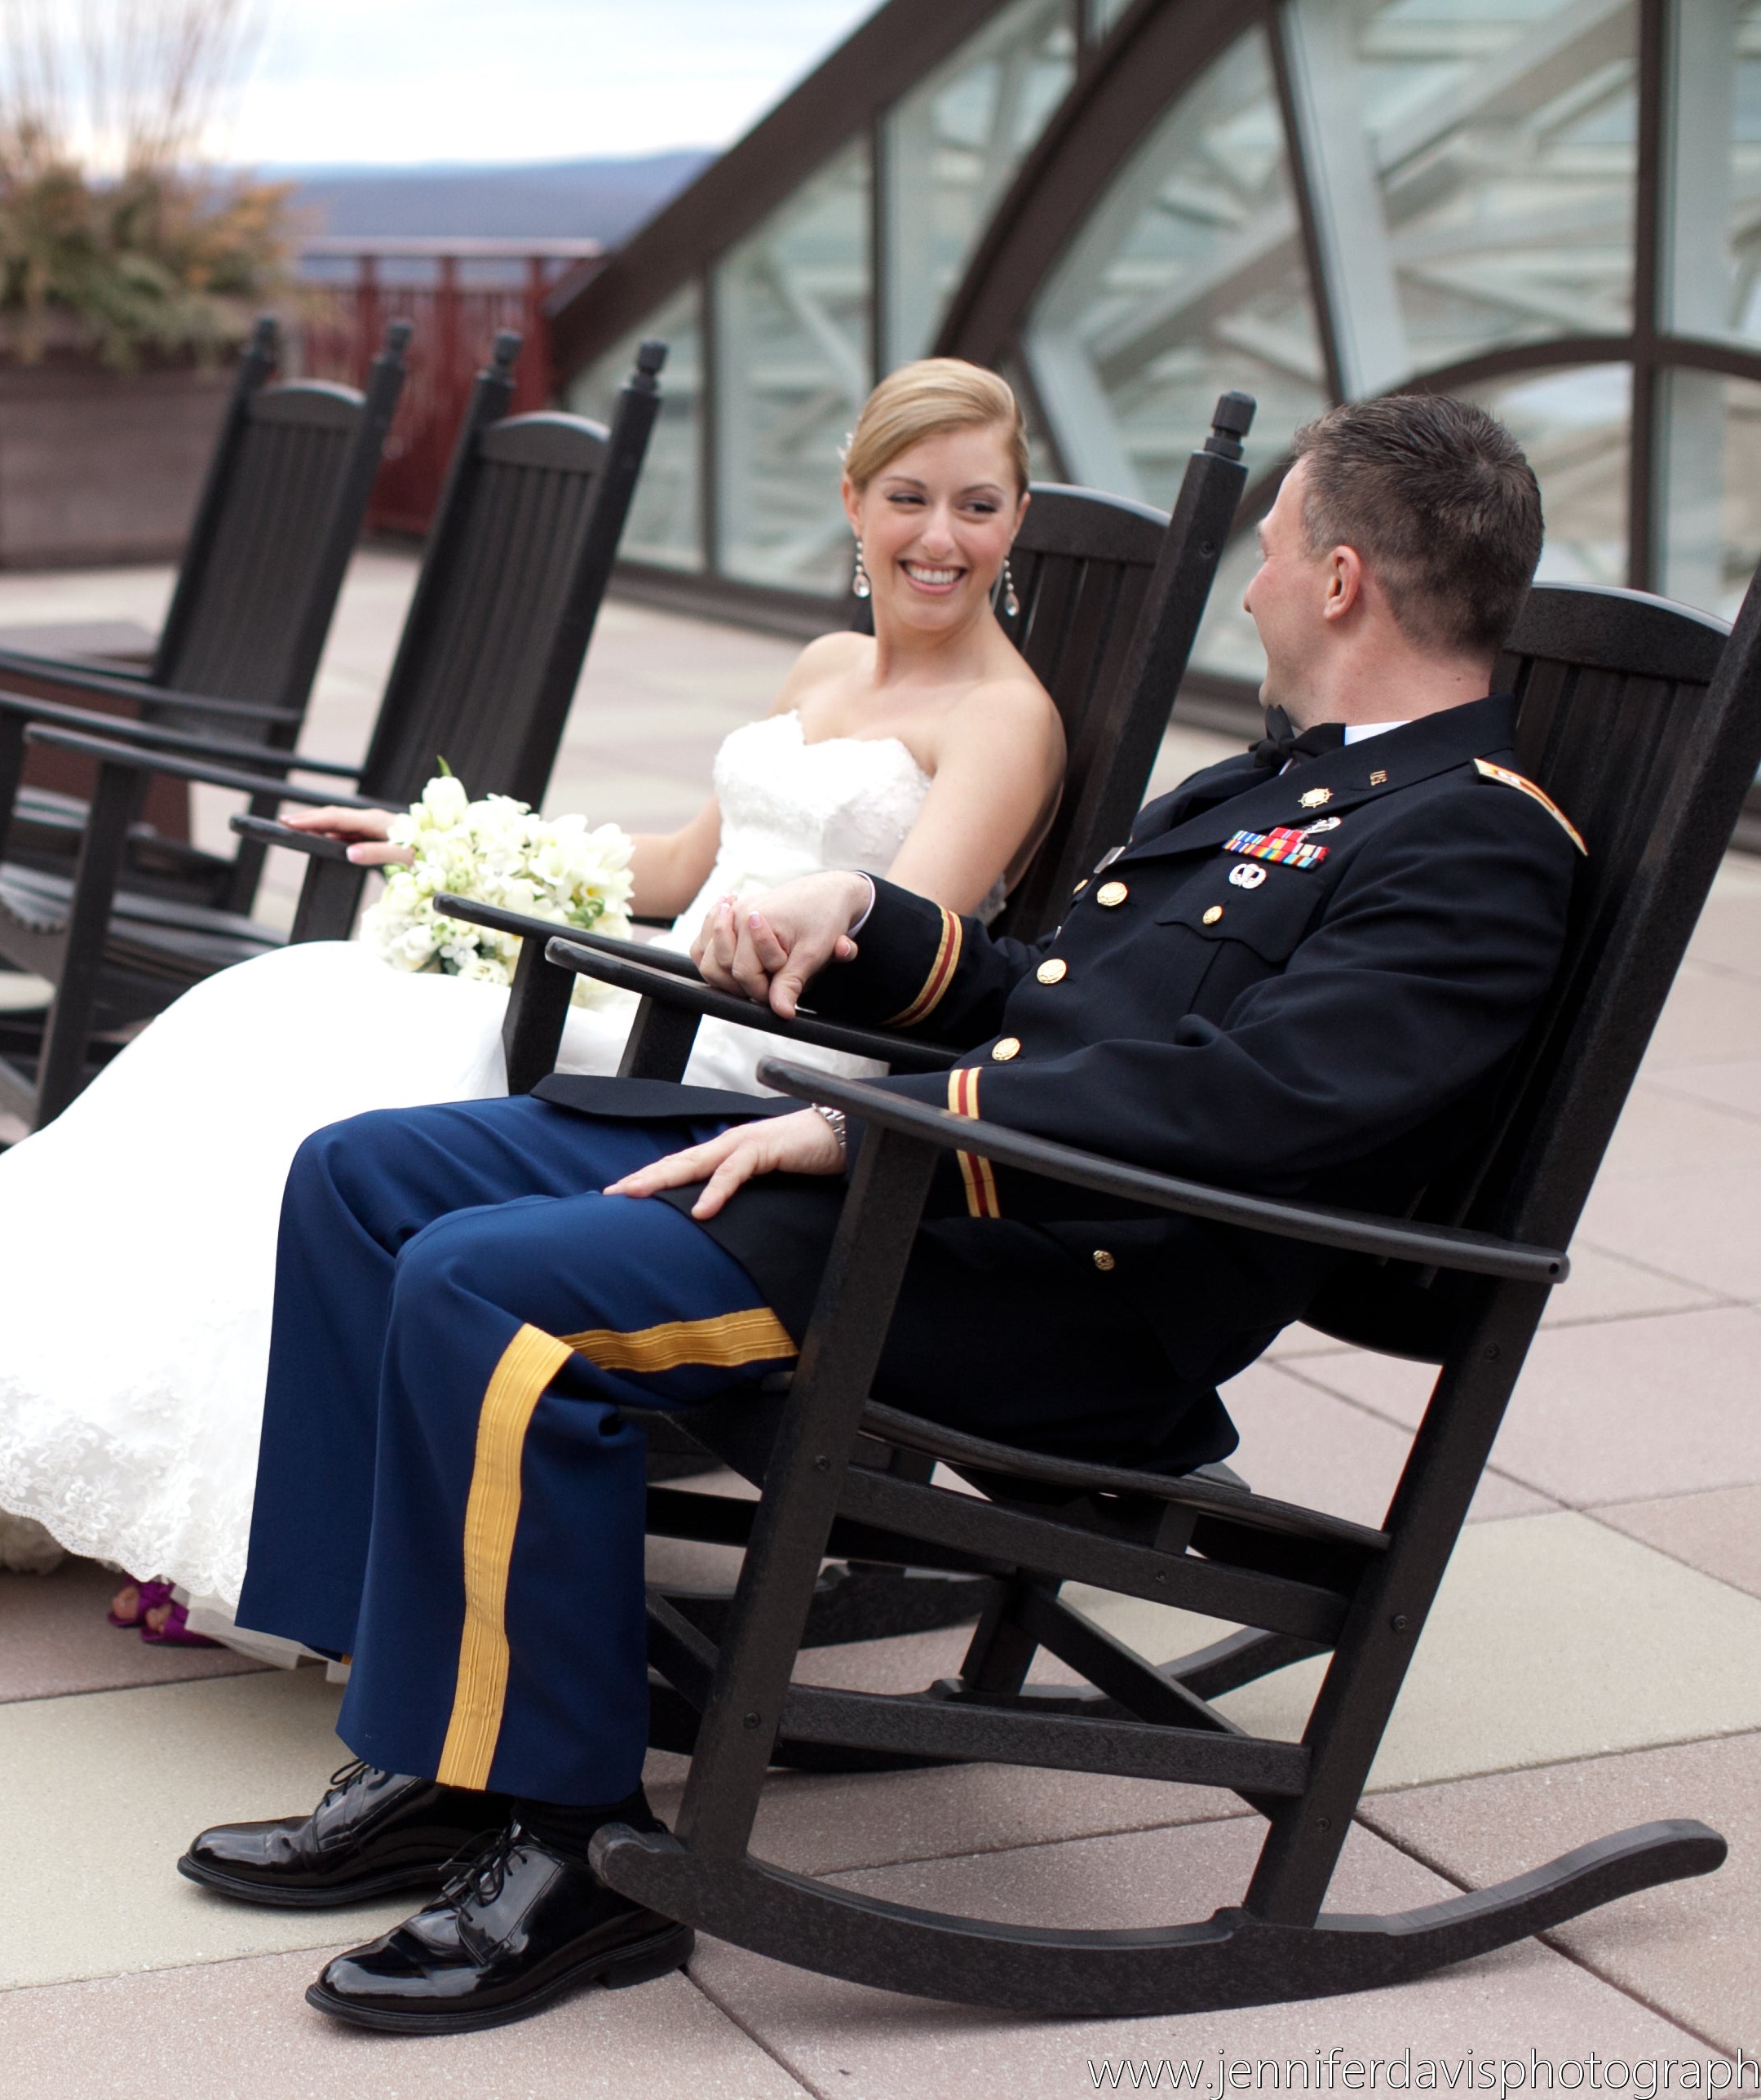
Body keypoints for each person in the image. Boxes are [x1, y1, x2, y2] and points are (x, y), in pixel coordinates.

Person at [187, 393, 1579, 2037]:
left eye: (1267, 551)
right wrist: (866, 918)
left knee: (493, 1294)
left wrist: (877, 1134)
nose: (1252, 583)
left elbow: (1247, 1109)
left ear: (1339, 580)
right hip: (963, 1200)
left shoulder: (1474, 839)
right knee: (366, 1177)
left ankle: (569, 1853)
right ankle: (442, 1748)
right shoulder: (1268, 787)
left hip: (1064, 1285)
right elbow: (1054, 1001)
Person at [0, 359, 1064, 1724]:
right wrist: (450, 842)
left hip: (743, 1062)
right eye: (911, 499)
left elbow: (901, 949)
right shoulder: (822, 671)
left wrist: (805, 910)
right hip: (647, 980)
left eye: (979, 507)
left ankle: (251, 1528)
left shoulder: (1003, 717)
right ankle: (184, 1494)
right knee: (266, 1009)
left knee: (329, 1048)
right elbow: (673, 869)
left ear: (1013, 524)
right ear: (852, 503)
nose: (943, 539)